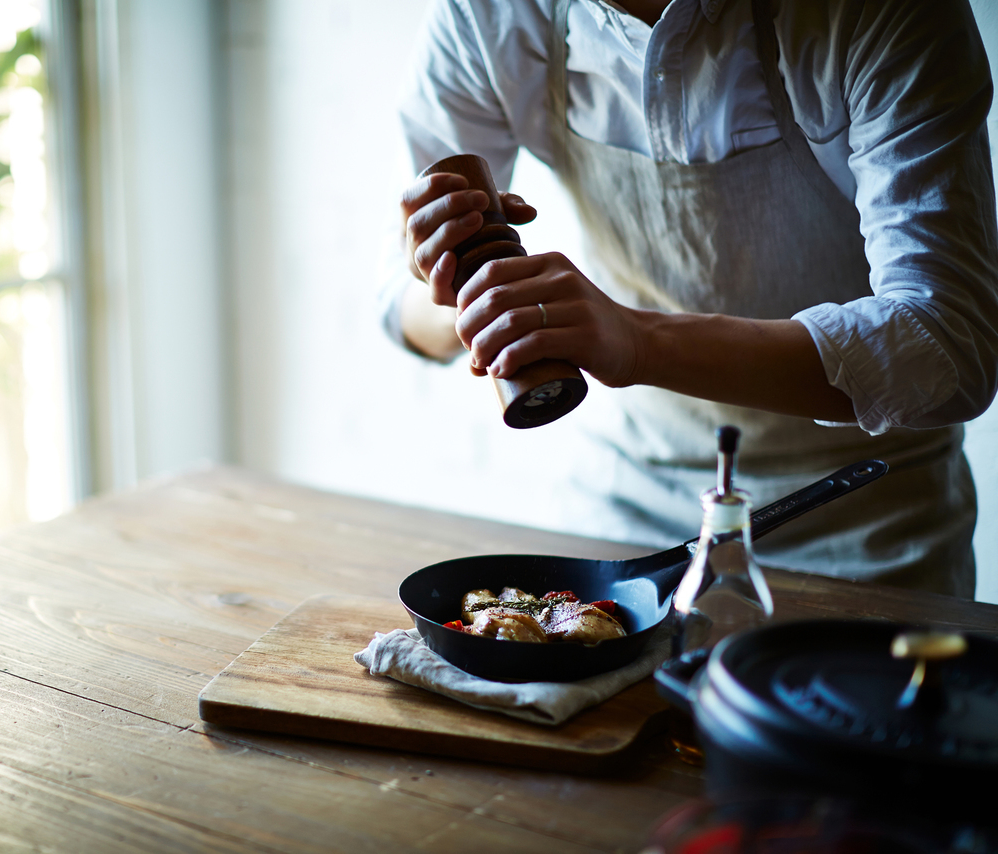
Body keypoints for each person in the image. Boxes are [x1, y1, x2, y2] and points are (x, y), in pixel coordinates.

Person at [378, 0, 998, 596]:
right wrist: (448, 278)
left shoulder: (875, 11)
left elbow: (949, 345)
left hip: (866, 527)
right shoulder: (487, 15)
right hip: (623, 528)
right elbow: (401, 315)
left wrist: (642, 343)